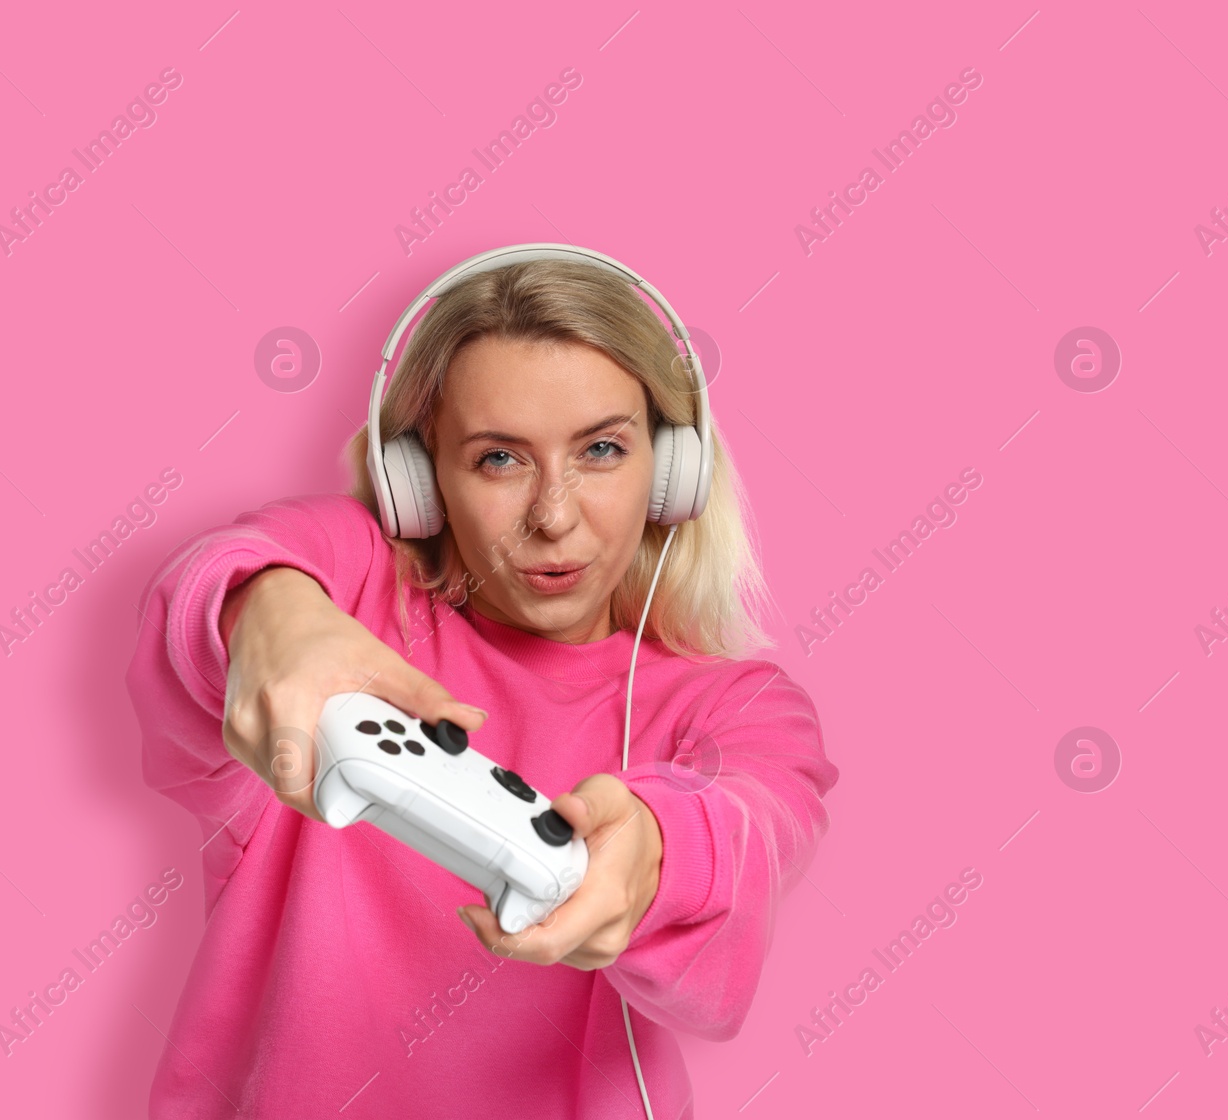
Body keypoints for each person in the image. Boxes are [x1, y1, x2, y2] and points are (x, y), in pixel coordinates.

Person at [125, 251, 840, 1118]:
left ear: (673, 469)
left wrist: (655, 848)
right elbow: (222, 578)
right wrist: (269, 612)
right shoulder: (352, 593)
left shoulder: (738, 706)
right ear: (421, 484)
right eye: (500, 459)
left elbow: (759, 822)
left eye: (602, 449)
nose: (554, 515)